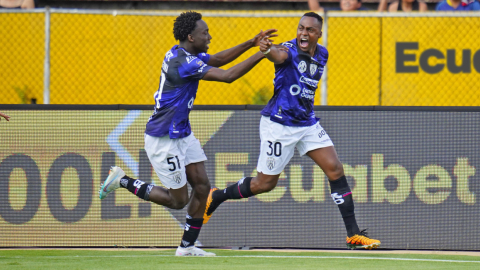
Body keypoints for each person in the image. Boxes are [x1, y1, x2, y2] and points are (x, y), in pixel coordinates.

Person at [99, 11, 278, 256]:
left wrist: (251, 42)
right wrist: (263, 53)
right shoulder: (183, 63)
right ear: (191, 36)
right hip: (163, 138)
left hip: (181, 133)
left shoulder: (185, 53)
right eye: (205, 33)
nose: (210, 36)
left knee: (203, 186)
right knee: (178, 200)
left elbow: (216, 59)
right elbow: (227, 76)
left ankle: (187, 247)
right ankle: (122, 180)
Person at [203, 12, 381, 250]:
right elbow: (278, 54)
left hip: (306, 124)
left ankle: (353, 235)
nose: (303, 34)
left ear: (319, 34)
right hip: (279, 125)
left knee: (335, 169)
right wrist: (266, 49)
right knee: (264, 184)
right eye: (300, 28)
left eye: (309, 30)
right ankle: (217, 196)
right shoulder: (288, 50)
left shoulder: (323, 54)